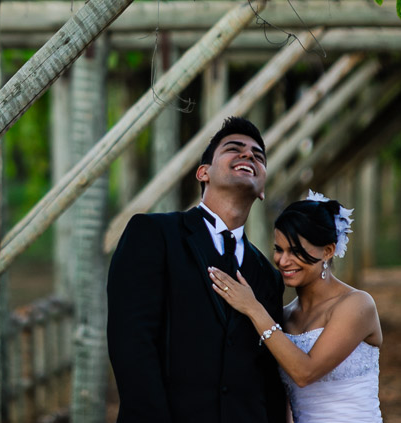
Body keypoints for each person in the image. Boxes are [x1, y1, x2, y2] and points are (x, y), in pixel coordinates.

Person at [107, 116, 287, 423]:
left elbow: (268, 373)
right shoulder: (152, 234)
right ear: (203, 173)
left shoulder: (268, 275)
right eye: (234, 148)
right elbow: (132, 343)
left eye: (258, 156)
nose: (248, 155)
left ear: (262, 189)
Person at [209, 191, 383, 423]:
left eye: (296, 251)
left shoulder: (357, 305)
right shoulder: (285, 315)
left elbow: (304, 373)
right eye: (279, 249)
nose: (282, 261)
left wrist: (253, 309)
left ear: (328, 251)